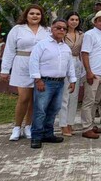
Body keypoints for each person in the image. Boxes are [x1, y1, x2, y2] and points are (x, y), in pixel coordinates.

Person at [0, 4, 50, 141]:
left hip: (41, 66)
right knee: (24, 98)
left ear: (42, 16)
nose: (35, 16)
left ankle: (29, 126)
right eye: (32, 13)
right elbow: (9, 50)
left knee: (35, 99)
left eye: (38, 14)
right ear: (26, 15)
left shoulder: (47, 30)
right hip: (22, 64)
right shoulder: (17, 29)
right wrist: (5, 69)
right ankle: (17, 127)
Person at [28, 19, 77, 149]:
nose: (61, 30)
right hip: (45, 82)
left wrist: (72, 80)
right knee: (40, 110)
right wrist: (38, 80)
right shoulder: (42, 45)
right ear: (51, 28)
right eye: (58, 28)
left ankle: (48, 134)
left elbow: (69, 65)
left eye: (64, 29)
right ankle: (36, 136)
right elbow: (33, 62)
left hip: (60, 83)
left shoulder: (65, 47)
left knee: (54, 109)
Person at [79, 10, 101, 139]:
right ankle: (86, 128)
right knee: (89, 101)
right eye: (100, 20)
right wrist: (88, 72)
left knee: (96, 101)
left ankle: (91, 124)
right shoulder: (90, 34)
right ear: (95, 22)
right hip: (93, 73)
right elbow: (85, 53)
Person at [59, 12, 85, 137]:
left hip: (77, 63)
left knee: (74, 97)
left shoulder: (81, 35)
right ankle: (63, 125)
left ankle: (70, 123)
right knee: (65, 96)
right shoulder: (62, 33)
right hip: (64, 63)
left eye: (76, 19)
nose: (74, 21)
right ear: (67, 20)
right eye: (71, 19)